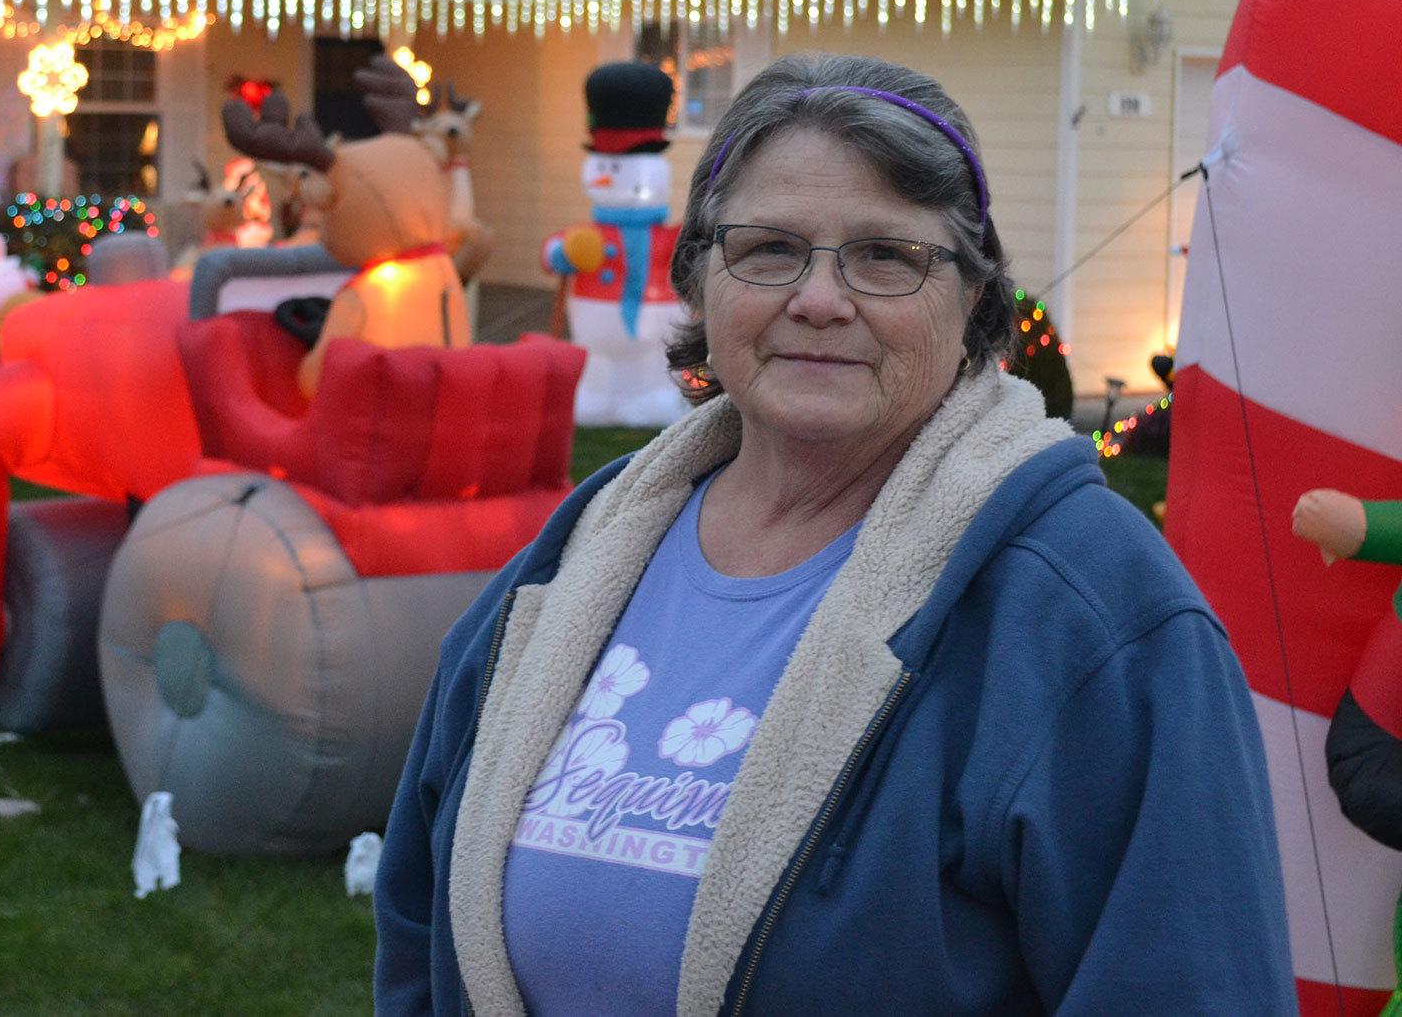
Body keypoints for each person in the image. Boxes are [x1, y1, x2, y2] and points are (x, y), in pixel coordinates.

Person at [374, 52, 1292, 1015]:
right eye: (768, 248)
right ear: (699, 278)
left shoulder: (1098, 618)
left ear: (974, 295)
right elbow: (419, 935)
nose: (819, 298)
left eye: (886, 256)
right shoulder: (574, 564)